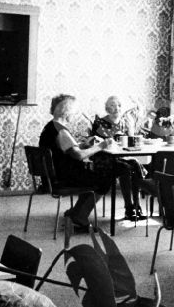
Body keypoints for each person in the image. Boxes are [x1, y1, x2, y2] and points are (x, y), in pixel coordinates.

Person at [37, 94, 115, 231]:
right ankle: (81, 216)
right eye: (73, 111)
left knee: (92, 174)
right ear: (66, 112)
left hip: (52, 176)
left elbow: (66, 149)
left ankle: (76, 212)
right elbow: (78, 155)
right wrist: (101, 146)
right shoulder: (61, 131)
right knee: (105, 178)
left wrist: (83, 145)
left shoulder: (51, 127)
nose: (74, 114)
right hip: (63, 178)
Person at [91, 96, 145, 221]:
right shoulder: (99, 122)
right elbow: (101, 142)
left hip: (121, 156)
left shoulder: (125, 121)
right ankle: (129, 208)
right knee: (125, 168)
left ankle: (137, 205)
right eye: (113, 105)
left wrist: (130, 127)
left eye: (119, 105)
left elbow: (130, 142)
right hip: (103, 158)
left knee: (135, 164)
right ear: (106, 108)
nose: (117, 108)